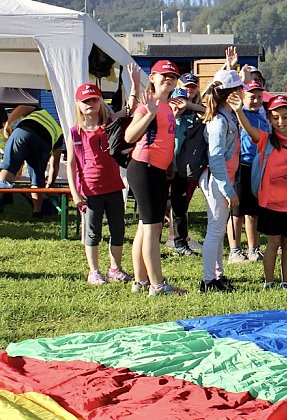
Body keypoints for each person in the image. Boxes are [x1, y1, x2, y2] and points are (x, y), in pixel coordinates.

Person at [233, 94, 287, 289]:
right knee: (273, 242)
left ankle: (285, 281)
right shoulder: (266, 140)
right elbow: (250, 130)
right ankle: (269, 281)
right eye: (275, 117)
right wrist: (238, 111)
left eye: (285, 117)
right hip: (270, 203)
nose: (280, 121)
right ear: (269, 119)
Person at [125, 59, 186, 296]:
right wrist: (149, 114)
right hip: (144, 169)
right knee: (152, 229)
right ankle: (157, 285)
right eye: (164, 75)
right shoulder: (148, 104)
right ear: (153, 77)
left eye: (173, 76)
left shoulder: (166, 106)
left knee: (144, 227)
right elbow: (130, 136)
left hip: (157, 171)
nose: (169, 79)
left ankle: (140, 281)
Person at [67, 83, 132, 285]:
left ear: (101, 102)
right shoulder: (75, 132)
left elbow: (129, 109)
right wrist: (75, 192)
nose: (90, 104)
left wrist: (135, 86)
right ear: (78, 105)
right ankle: (94, 271)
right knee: (93, 232)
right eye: (85, 101)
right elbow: (70, 164)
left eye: (94, 99)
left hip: (113, 186)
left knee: (117, 229)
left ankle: (115, 268)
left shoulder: (109, 124)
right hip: (90, 190)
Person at [197, 66, 244, 293]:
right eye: (239, 88)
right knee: (215, 230)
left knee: (215, 228)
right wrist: (229, 190)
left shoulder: (226, 117)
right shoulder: (219, 122)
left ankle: (217, 275)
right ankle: (208, 280)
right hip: (217, 180)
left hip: (220, 179)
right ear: (232, 93)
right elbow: (215, 160)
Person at [227, 78, 269, 264]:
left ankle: (253, 249)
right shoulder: (238, 114)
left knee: (253, 212)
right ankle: (235, 250)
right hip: (241, 167)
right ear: (243, 97)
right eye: (252, 97)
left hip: (258, 167)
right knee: (237, 211)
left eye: (259, 97)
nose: (256, 101)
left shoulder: (262, 116)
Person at [0, 105, 65, 217]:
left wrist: (8, 124)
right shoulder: (59, 135)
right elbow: (55, 166)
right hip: (44, 144)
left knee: (8, 168)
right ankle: (37, 212)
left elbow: (21, 108)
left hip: (24, 132)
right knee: (37, 178)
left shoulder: (42, 111)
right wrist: (50, 184)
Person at [167, 72, 206, 256]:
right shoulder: (165, 116)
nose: (179, 105)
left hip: (181, 169)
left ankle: (180, 242)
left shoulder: (194, 114)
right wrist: (173, 115)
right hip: (163, 167)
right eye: (176, 100)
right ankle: (153, 242)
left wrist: (188, 105)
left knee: (180, 208)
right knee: (158, 208)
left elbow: (210, 113)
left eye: (192, 88)